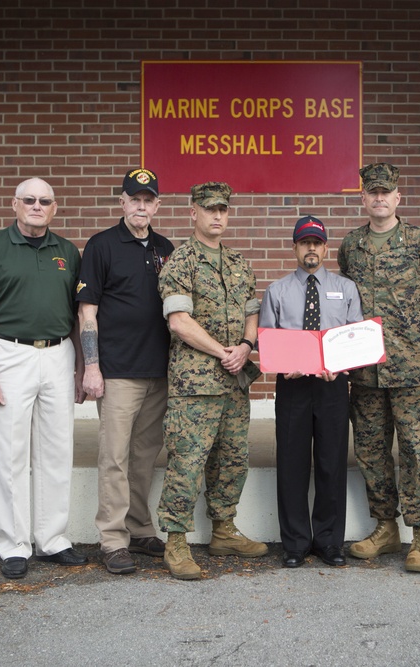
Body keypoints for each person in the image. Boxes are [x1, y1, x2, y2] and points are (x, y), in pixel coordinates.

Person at [0, 178, 88, 580]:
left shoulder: (67, 251)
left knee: (57, 449)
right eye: (28, 200)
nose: (36, 206)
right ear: (15, 204)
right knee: (10, 453)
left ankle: (52, 539)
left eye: (44, 201)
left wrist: (83, 366)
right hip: (9, 354)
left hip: (58, 354)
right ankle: (13, 545)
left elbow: (81, 315)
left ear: (54, 208)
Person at [337, 163, 420, 573]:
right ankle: (386, 528)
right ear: (363, 198)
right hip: (365, 373)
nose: (380, 198)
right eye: (373, 192)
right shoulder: (351, 246)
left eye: (387, 192)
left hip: (412, 370)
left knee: (418, 451)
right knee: (370, 452)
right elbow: (344, 306)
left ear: (398, 198)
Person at [156, 181, 266, 580]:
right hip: (196, 384)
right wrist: (224, 352)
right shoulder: (180, 262)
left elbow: (253, 309)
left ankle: (224, 529)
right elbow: (179, 321)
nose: (217, 216)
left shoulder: (238, 263)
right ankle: (176, 543)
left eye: (223, 209)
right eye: (209, 209)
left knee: (232, 459)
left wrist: (246, 344)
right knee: (187, 461)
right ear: (193, 213)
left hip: (234, 383)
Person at [76, 168, 175, 575]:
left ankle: (139, 527)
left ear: (156, 205)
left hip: (159, 371)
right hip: (116, 372)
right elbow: (87, 312)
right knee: (114, 456)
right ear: (122, 202)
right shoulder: (101, 246)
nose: (141, 205)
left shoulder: (167, 248)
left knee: (144, 456)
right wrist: (92, 367)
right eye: (134, 198)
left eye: (148, 199)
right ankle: (113, 540)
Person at [260, 215, 363, 568]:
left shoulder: (346, 289)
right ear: (295, 248)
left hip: (333, 386)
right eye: (305, 243)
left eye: (317, 243)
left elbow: (355, 336)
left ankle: (330, 542)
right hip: (293, 386)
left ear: (325, 247)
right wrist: (280, 363)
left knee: (331, 463)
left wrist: (342, 365)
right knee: (291, 463)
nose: (311, 249)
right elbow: (267, 341)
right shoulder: (277, 291)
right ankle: (295, 543)